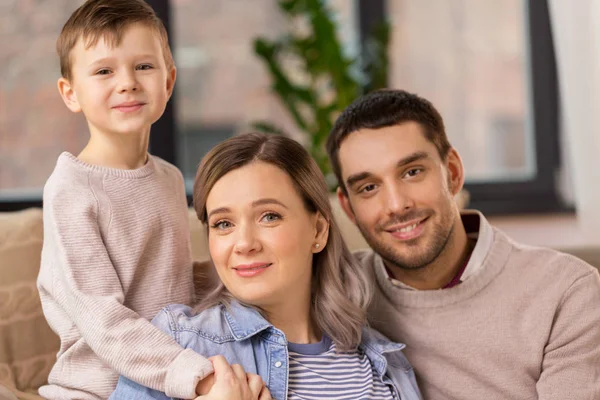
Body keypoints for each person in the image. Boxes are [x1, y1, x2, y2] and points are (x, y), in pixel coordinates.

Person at [325, 89, 600, 400]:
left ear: (452, 173)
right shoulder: (335, 291)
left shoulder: (565, 291)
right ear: (348, 208)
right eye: (369, 187)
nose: (396, 205)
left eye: (412, 172)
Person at [110, 133, 423, 400]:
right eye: (223, 223)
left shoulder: (384, 362)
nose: (244, 243)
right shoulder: (180, 345)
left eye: (269, 216)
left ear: (318, 231)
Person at [37, 0, 240, 398]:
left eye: (144, 66)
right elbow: (103, 318)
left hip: (166, 376)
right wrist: (199, 379)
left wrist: (239, 274)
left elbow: (172, 282)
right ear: (70, 93)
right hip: (97, 388)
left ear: (168, 82)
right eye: (103, 71)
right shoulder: (71, 190)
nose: (127, 82)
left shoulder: (166, 178)